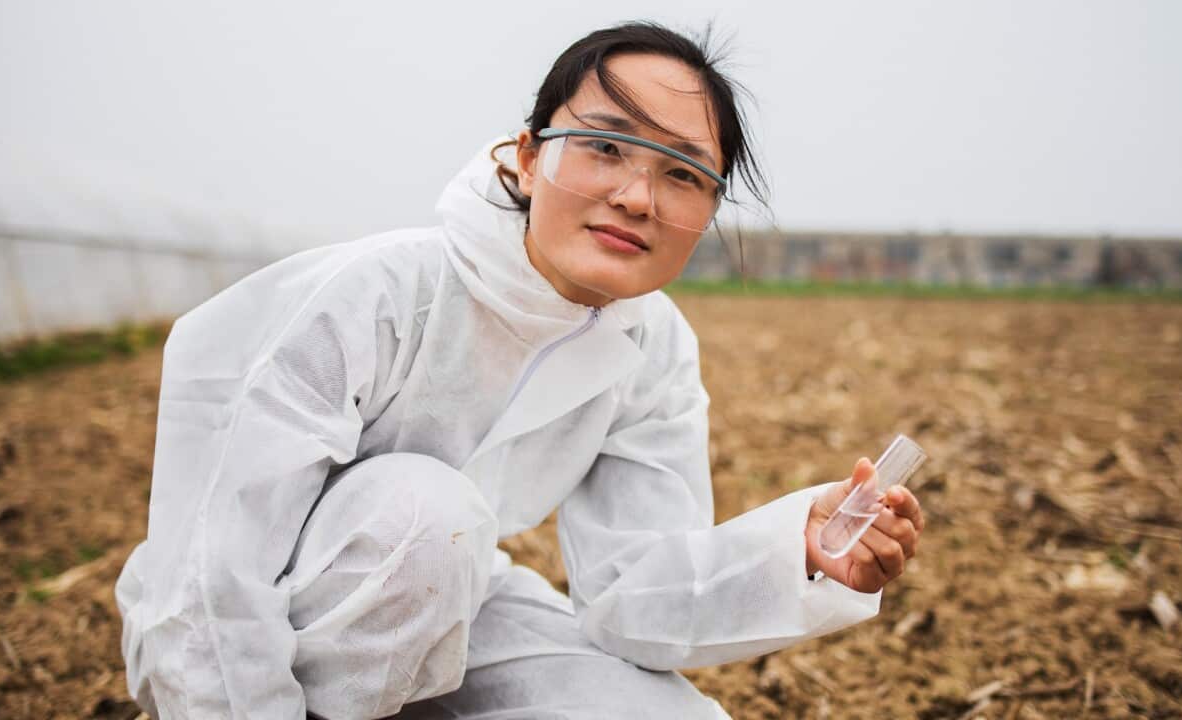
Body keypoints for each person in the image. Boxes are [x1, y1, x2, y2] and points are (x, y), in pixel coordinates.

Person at [115, 20, 925, 720]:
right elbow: (208, 575)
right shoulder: (381, 295)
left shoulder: (653, 347)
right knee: (426, 515)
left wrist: (801, 553)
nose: (640, 197)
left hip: (444, 603)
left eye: (682, 172)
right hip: (242, 637)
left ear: (708, 212)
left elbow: (628, 589)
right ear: (530, 157)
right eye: (607, 146)